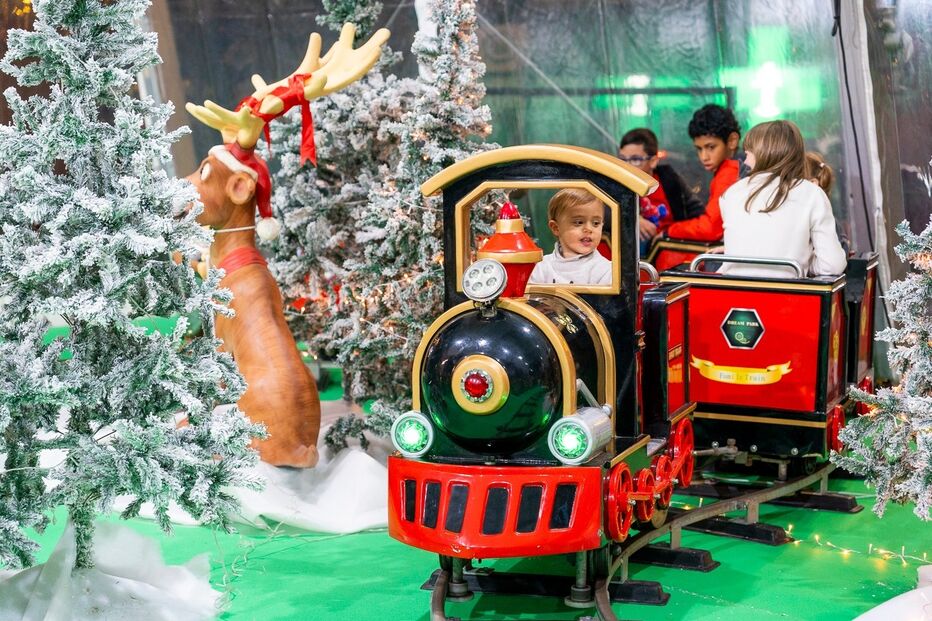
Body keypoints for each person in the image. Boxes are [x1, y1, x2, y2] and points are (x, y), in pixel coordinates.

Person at [719, 120, 847, 279]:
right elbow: (833, 265)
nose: (745, 162)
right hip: (788, 296)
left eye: (747, 155)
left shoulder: (730, 194)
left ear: (763, 154)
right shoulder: (812, 193)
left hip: (731, 295)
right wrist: (803, 263)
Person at [660, 104, 746, 242]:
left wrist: (669, 231)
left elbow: (709, 228)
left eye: (711, 147)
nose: (704, 157)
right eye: (699, 149)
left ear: (732, 141)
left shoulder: (729, 172)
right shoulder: (737, 167)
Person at [617, 128, 705, 254]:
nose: (627, 166)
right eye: (622, 160)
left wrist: (673, 232)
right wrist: (633, 219)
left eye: (635, 160)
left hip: (671, 246)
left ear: (653, 161)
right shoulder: (616, 184)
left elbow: (697, 212)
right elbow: (601, 211)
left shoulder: (669, 179)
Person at [529, 188, 612, 285]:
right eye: (579, 222)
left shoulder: (606, 271)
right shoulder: (542, 267)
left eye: (596, 223)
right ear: (556, 228)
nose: (589, 229)